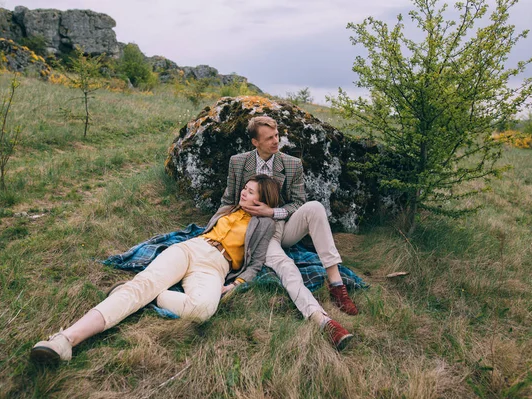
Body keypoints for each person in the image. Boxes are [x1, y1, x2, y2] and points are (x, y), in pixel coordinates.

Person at [31, 175, 279, 364]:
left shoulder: (264, 223)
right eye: (244, 188)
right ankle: (65, 340)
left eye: (249, 191)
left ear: (262, 199)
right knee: (142, 286)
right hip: (191, 248)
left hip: (216, 265)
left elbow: (256, 262)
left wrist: (237, 283)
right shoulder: (228, 208)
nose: (243, 193)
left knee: (203, 310)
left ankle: (151, 298)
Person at [220, 116, 358, 348]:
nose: (276, 141)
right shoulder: (238, 162)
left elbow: (297, 202)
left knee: (313, 207)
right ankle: (323, 321)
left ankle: (336, 285)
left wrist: (272, 211)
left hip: (282, 225)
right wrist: (216, 227)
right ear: (255, 142)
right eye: (269, 138)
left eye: (277, 135)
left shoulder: (292, 163)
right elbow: (228, 199)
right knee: (287, 267)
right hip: (255, 230)